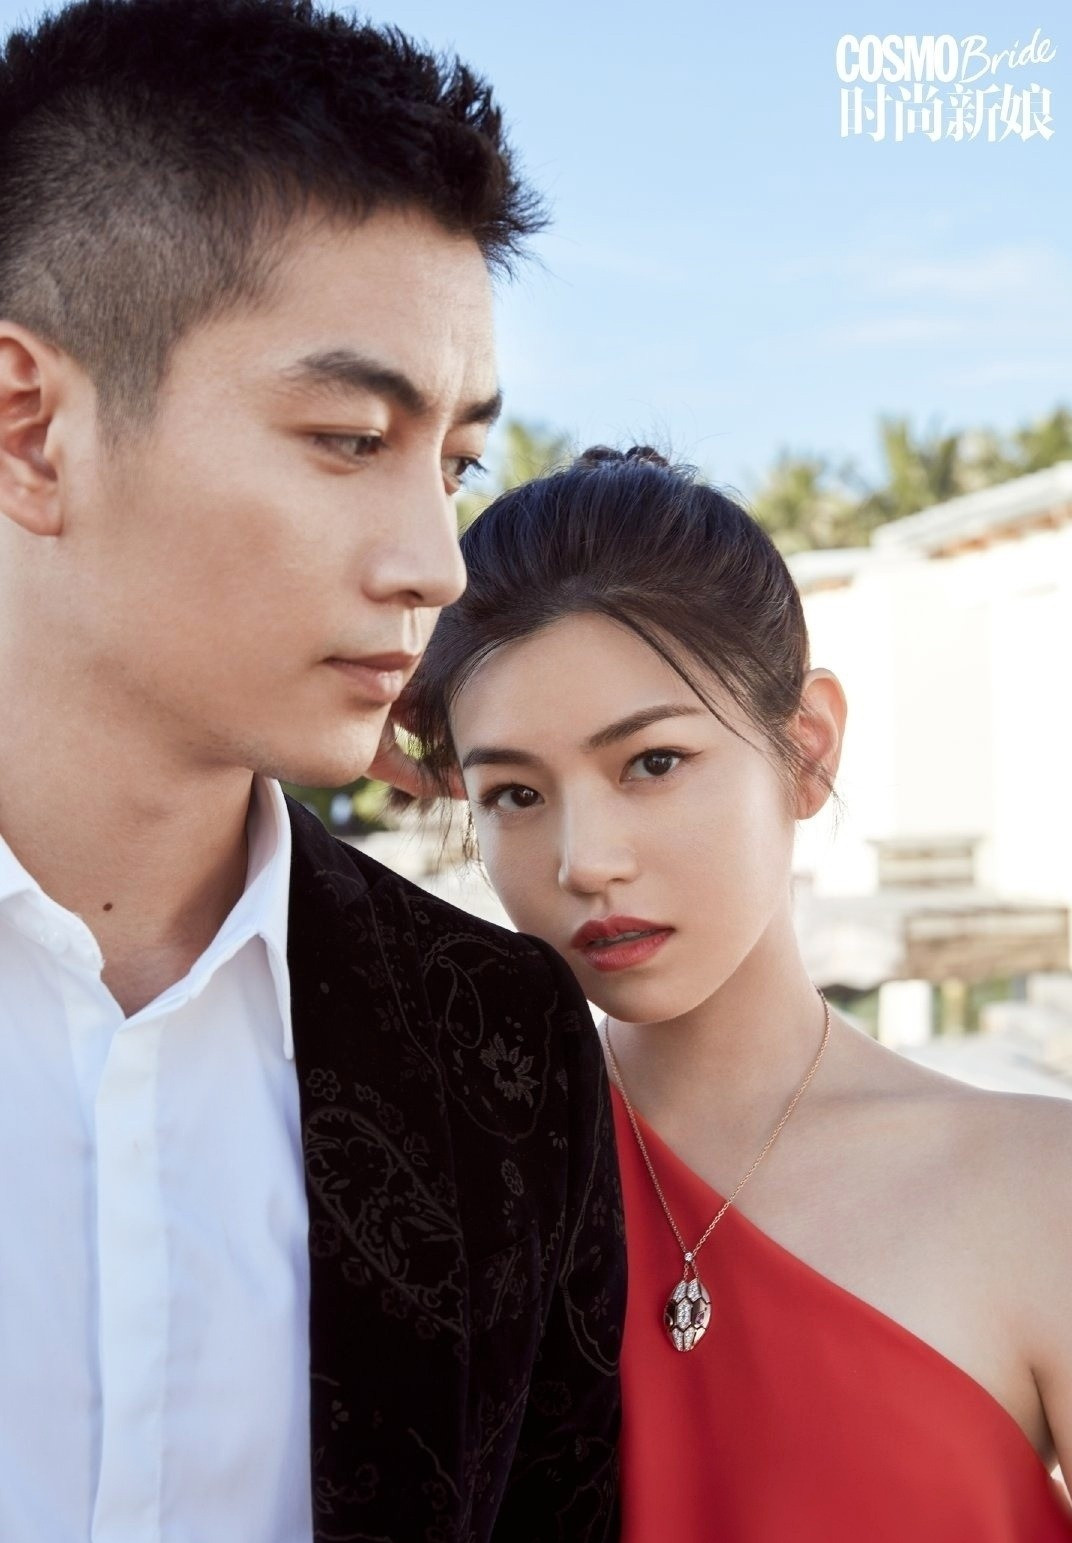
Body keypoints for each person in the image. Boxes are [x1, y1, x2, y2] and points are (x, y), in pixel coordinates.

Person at [0, 5, 625, 1539]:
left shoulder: (504, 1050)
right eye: (351, 437)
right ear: (30, 427)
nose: (435, 563)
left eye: (458, 464)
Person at [399, 444, 1072, 1540]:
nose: (585, 860)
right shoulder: (458, 1186)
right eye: (515, 793)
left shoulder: (1045, 1190)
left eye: (653, 762)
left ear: (807, 751)